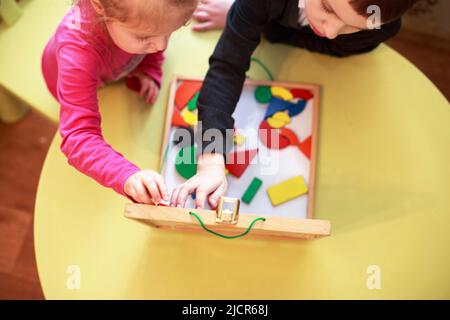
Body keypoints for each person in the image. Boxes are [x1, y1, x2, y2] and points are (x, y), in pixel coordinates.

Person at [171, 0, 419, 209]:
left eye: (353, 26)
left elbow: (331, 45)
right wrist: (211, 159)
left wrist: (259, 27)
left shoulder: (379, 28)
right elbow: (227, 69)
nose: (332, 30)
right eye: (328, 9)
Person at [42, 0, 198, 204]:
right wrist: (127, 176)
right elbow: (78, 138)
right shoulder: (77, 51)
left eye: (170, 32)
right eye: (144, 37)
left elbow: (155, 33)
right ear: (98, 6)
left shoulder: (137, 19)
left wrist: (150, 66)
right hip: (66, 81)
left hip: (113, 71)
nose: (162, 46)